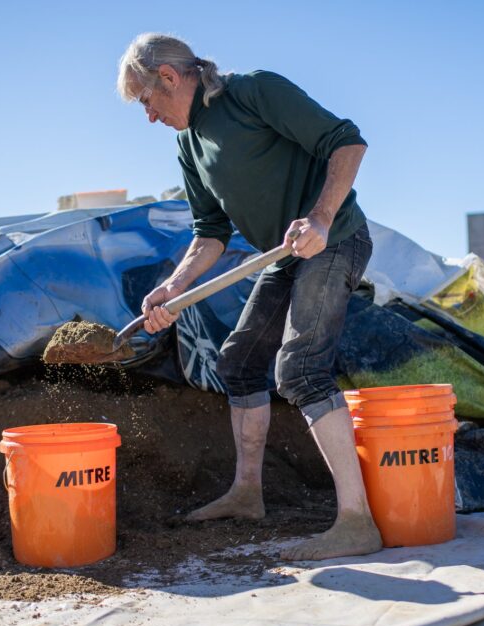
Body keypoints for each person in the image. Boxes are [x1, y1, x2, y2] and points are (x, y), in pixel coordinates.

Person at [117, 33, 381, 561]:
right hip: (283, 255)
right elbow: (209, 232)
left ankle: (357, 521)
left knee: (301, 369)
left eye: (146, 102)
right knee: (238, 361)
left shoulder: (253, 92)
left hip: (334, 240)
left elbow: (347, 140)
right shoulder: (188, 144)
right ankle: (246, 495)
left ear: (168, 77)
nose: (148, 117)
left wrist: (322, 218)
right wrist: (173, 287)